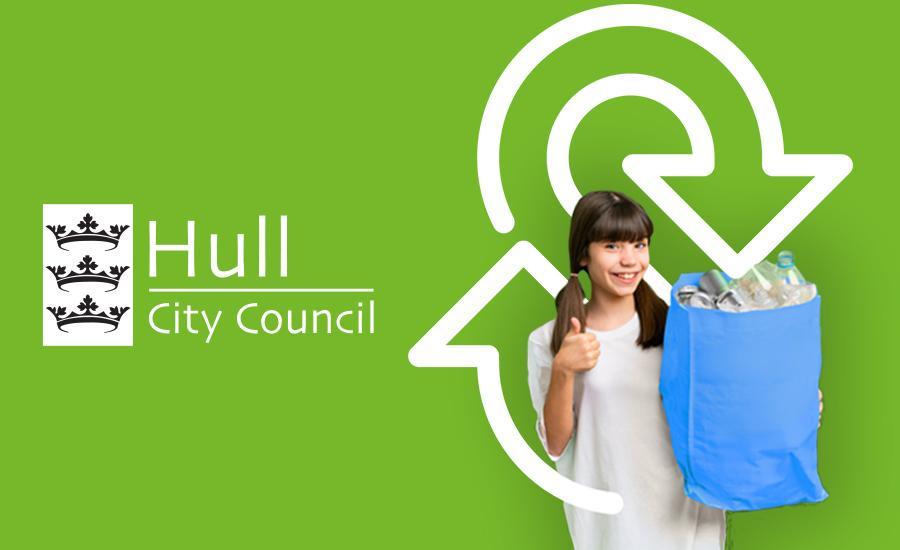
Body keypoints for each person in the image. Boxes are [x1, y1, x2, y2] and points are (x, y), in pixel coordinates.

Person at [526, 191, 822, 549]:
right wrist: (563, 370)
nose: (630, 260)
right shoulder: (550, 340)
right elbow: (556, 445)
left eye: (639, 244)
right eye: (612, 246)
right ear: (584, 254)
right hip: (612, 532)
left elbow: (727, 406)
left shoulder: (684, 328)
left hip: (690, 523)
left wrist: (793, 407)